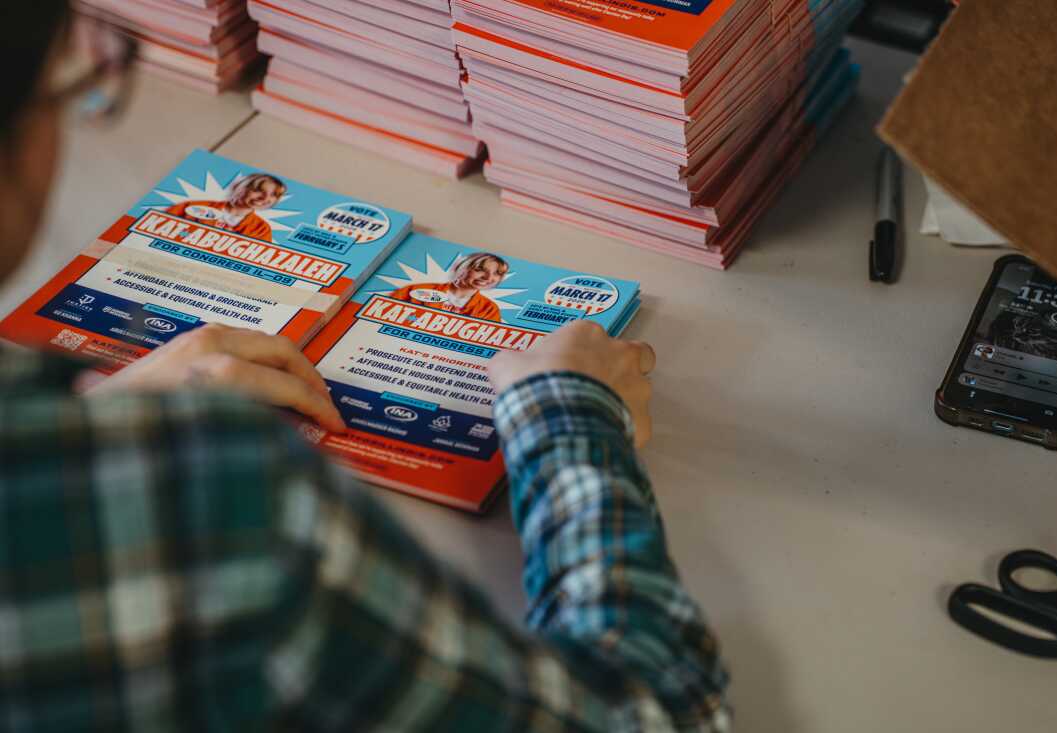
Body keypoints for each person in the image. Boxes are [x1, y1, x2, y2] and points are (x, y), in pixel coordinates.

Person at [0, 5, 731, 731]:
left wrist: (96, 422)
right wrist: (571, 421)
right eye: (71, 78)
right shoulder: (228, 509)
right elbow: (651, 715)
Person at [164, 171, 286, 241]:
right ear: (239, 186)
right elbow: (161, 227)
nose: (265, 198)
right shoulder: (192, 206)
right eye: (259, 190)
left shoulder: (261, 229)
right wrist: (191, 236)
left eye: (273, 195)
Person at [390, 251, 509, 321]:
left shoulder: (489, 309)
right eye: (480, 270)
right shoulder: (416, 290)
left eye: (497, 273)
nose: (488, 278)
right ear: (462, 267)